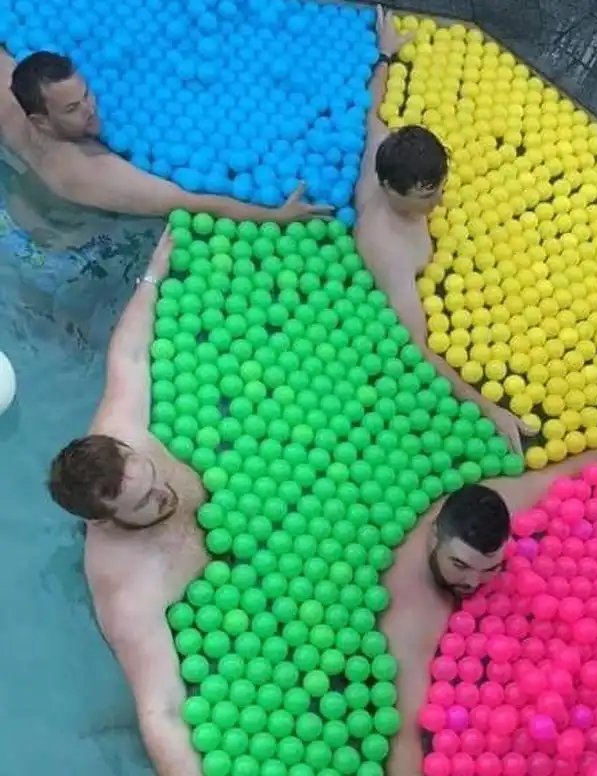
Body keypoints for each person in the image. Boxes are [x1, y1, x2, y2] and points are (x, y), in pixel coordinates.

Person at [380, 439, 597, 776]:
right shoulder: (413, 611)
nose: (473, 582)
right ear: (435, 536)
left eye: (490, 567)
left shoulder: (499, 502)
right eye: (460, 565)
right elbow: (403, 735)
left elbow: (571, 470)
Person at [48, 229, 206, 776]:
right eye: (144, 502)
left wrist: (153, 272)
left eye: (151, 475)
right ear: (105, 522)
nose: (164, 492)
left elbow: (131, 355)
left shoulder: (123, 432)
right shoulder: (128, 591)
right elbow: (160, 711)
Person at [355, 9, 532, 453]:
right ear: (389, 187)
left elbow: (372, 110)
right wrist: (488, 408)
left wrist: (385, 55)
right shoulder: (388, 251)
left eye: (439, 189)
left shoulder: (381, 147)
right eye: (425, 196)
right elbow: (418, 347)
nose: (436, 204)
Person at [0, 49, 330, 223]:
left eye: (87, 93)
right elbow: (192, 202)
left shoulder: (10, 89)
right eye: (72, 108)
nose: (90, 109)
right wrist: (275, 215)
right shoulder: (87, 171)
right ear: (41, 122)